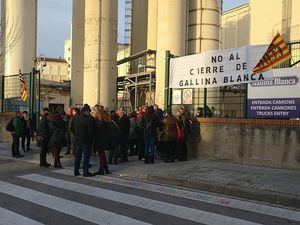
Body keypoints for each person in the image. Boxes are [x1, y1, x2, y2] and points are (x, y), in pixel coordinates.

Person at [71, 106, 95, 177]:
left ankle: (76, 171)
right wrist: (92, 139)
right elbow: (91, 132)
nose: (89, 113)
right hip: (86, 141)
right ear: (86, 112)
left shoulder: (75, 118)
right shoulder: (88, 120)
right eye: (88, 112)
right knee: (86, 157)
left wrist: (76, 135)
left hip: (78, 140)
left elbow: (72, 129)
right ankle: (85, 171)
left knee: (78, 156)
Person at [94, 110, 111, 175]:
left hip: (100, 140)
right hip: (105, 140)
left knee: (102, 155)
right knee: (103, 155)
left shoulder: (101, 123)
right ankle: (105, 169)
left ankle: (101, 169)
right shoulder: (107, 122)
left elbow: (98, 133)